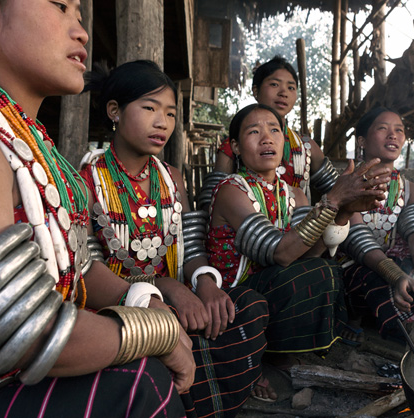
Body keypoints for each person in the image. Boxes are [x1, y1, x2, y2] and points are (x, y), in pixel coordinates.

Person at [0, 1, 192, 417]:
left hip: (16, 381)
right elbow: (26, 328)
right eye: (59, 6)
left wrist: (140, 295)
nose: (82, 31)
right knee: (138, 385)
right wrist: (157, 332)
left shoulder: (33, 144)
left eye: (77, 11)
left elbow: (77, 264)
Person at [79, 60, 269, 417]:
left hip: (177, 298)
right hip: (121, 305)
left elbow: (192, 248)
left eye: (169, 113)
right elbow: (91, 269)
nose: (162, 122)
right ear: (115, 111)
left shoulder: (172, 178)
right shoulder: (87, 179)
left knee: (245, 306)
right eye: (149, 108)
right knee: (147, 348)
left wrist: (206, 285)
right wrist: (162, 287)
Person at [206, 103, 391, 401]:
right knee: (292, 280)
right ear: (237, 147)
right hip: (235, 297)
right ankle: (252, 358)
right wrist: (332, 201)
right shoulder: (232, 189)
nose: (267, 138)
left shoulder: (294, 193)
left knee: (325, 271)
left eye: (274, 130)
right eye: (254, 132)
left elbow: (307, 254)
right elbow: (279, 253)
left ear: (284, 140)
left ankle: (278, 351)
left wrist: (342, 213)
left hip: (269, 285)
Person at [339, 107, 414, 345]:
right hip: (355, 262)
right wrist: (396, 276)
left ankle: (409, 304)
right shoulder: (348, 182)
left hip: (393, 262)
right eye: (383, 128)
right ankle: (371, 319)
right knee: (375, 279)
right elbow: (356, 238)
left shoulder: (410, 189)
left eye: (399, 130)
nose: (393, 135)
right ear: (362, 140)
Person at [201, 56, 338, 209]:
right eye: (274, 84)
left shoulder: (306, 147)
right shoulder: (233, 145)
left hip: (299, 227)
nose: (283, 93)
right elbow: (211, 201)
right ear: (255, 90)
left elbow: (338, 191)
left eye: (291, 87)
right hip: (245, 228)